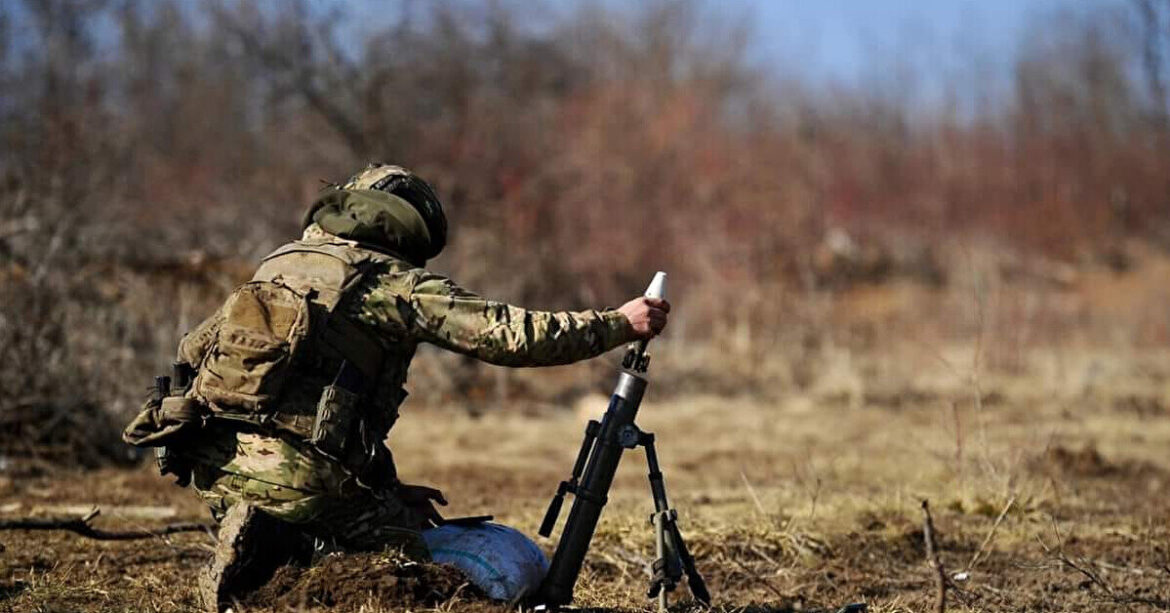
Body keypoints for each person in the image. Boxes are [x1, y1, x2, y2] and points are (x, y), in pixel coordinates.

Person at [123, 163, 670, 611]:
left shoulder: (281, 265)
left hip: (218, 469)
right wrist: (619, 323)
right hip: (303, 481)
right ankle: (302, 563)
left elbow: (201, 358)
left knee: (354, 512)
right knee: (420, 575)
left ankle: (272, 539)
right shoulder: (387, 281)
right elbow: (511, 336)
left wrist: (382, 484)